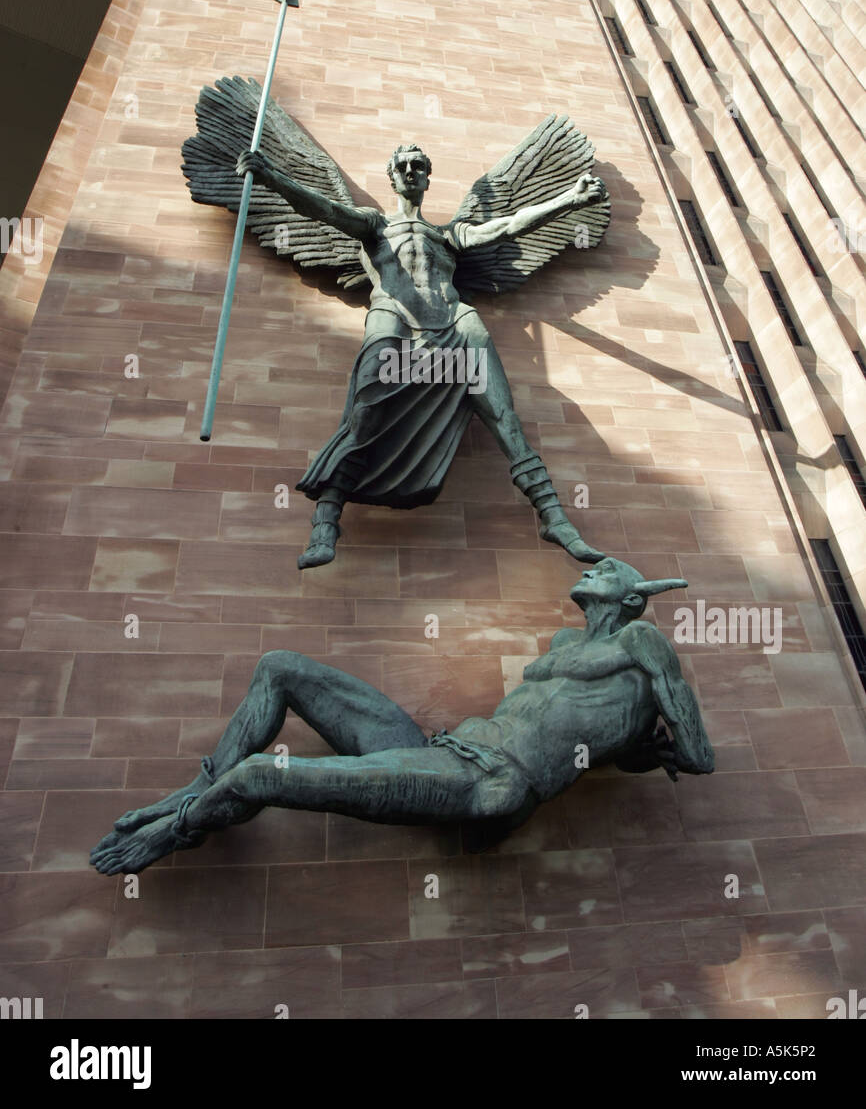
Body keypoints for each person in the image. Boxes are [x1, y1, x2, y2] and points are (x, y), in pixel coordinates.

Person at [90, 557, 714, 875]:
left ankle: (178, 828)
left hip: (489, 782)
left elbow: (698, 754)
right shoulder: (561, 645)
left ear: (632, 600)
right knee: (280, 667)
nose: (592, 567)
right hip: (442, 752)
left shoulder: (642, 643)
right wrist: (634, 749)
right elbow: (599, 734)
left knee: (262, 774)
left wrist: (660, 748)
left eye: (607, 570)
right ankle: (202, 789)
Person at [234, 142, 608, 569]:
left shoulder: (450, 235)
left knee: (505, 417)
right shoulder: (374, 225)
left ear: (428, 179)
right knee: (364, 418)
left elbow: (508, 226)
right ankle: (325, 522)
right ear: (391, 177)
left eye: (419, 166)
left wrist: (568, 200)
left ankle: (553, 517)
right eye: (403, 166)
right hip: (394, 320)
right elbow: (325, 210)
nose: (411, 171)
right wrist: (271, 178)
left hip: (454, 320)